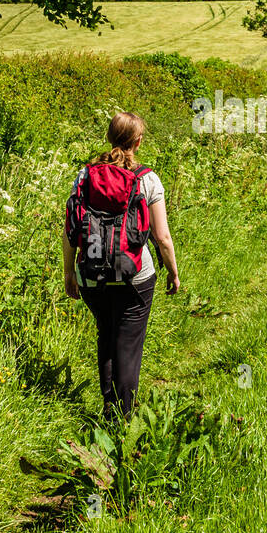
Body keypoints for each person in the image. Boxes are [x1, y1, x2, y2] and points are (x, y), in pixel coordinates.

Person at [63, 112, 179, 418]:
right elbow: (162, 236)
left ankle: (109, 408)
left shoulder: (85, 176)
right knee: (127, 345)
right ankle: (122, 419)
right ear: (138, 142)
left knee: (107, 336)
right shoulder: (147, 179)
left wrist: (69, 273)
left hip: (91, 275)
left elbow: (70, 229)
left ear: (109, 137)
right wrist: (172, 272)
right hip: (135, 276)